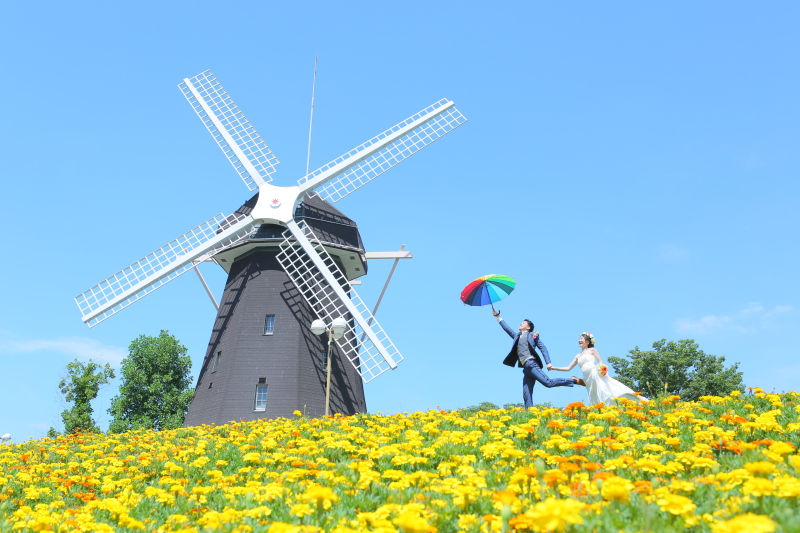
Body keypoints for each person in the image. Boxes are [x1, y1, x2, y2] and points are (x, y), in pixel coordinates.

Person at [492, 310, 578, 408]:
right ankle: (530, 413)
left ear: (528, 327)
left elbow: (543, 347)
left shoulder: (533, 336)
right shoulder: (517, 336)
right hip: (525, 368)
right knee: (526, 393)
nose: (521, 323)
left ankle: (572, 380)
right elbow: (507, 329)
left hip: (532, 364)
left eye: (523, 323)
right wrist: (498, 317)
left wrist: (548, 362)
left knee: (548, 383)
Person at [550, 332, 647, 405]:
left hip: (595, 373)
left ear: (587, 342)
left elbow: (601, 361)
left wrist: (601, 369)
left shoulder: (592, 350)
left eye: (581, 338)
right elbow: (568, 368)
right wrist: (553, 367)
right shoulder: (578, 355)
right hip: (587, 378)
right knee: (595, 396)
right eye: (579, 339)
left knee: (609, 389)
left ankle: (638, 398)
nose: (579, 340)